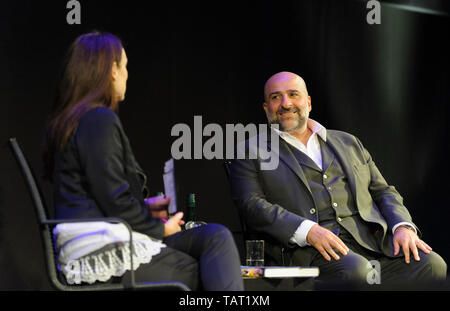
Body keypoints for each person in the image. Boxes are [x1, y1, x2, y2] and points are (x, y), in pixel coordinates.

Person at [42, 31, 243, 291]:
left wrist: (146, 208)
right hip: (102, 247)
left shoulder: (73, 121)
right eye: (124, 66)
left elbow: (97, 192)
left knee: (215, 237)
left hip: (106, 235)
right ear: (112, 70)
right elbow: (114, 200)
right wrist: (160, 230)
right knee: (208, 270)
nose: (127, 74)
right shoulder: (98, 119)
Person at [228, 71, 446, 289]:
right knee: (356, 271)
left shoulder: (347, 142)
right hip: (308, 254)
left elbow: (383, 191)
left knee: (431, 265)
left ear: (308, 102)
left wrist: (402, 226)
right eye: (276, 97)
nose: (286, 103)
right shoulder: (250, 151)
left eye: (293, 94)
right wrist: (308, 231)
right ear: (266, 108)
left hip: (372, 245)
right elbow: (251, 205)